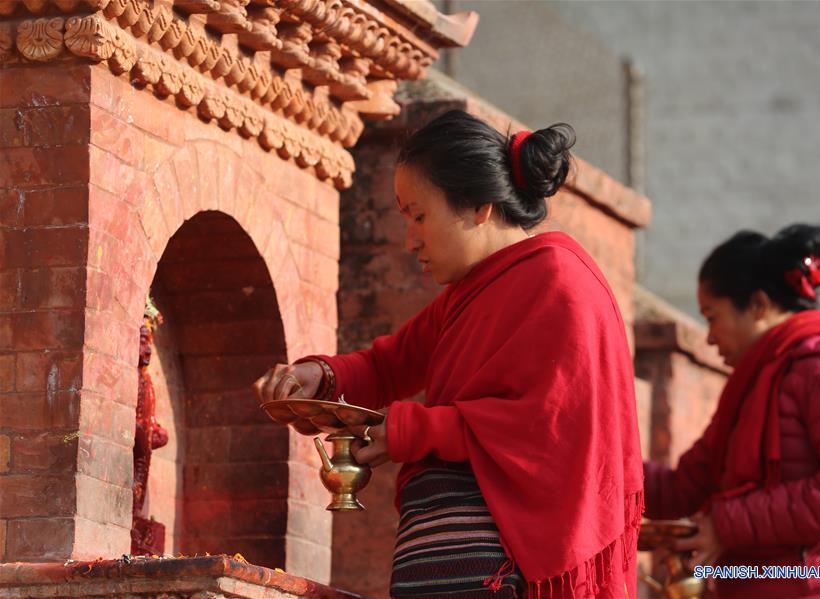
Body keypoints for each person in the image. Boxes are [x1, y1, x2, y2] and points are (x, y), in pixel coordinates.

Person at [254, 110, 643, 599]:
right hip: (438, 555)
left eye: (419, 215)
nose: (410, 239)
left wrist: (407, 430)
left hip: (505, 566)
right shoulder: (469, 292)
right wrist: (318, 376)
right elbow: (387, 364)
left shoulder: (562, 283)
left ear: (479, 206)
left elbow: (544, 429)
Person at [644, 224, 820, 597]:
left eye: (712, 316)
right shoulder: (751, 386)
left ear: (759, 306)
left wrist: (726, 526)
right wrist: (597, 467)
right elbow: (684, 489)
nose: (710, 337)